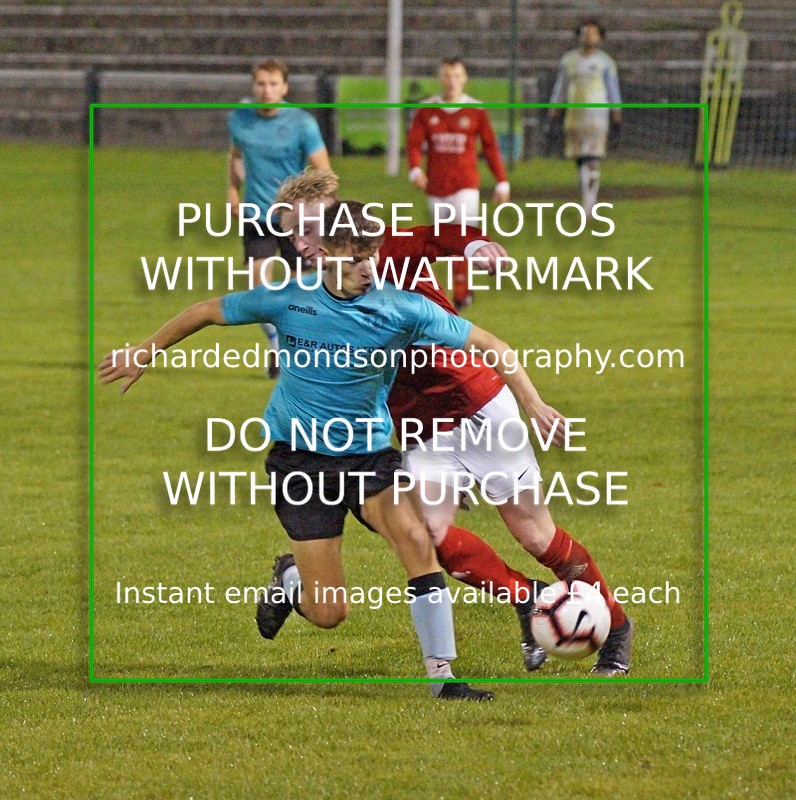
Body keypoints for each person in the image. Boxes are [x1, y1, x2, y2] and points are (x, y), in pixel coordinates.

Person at [98, 201, 564, 698]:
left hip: (368, 459)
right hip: (300, 464)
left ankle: (443, 679)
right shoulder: (288, 299)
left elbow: (493, 345)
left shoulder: (400, 308)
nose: (368, 269)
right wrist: (142, 352)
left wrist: (532, 402)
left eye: (372, 256)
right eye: (355, 259)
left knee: (418, 541)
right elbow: (207, 312)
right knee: (330, 614)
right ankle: (291, 579)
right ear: (323, 256)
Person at [276, 170, 634, 677]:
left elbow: (445, 234)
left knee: (536, 537)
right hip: (418, 425)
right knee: (429, 534)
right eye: (291, 234)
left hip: (477, 402)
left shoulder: (388, 245)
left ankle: (616, 626)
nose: (301, 243)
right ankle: (527, 598)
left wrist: (476, 247)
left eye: (308, 229)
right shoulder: (308, 290)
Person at [227, 58, 331, 375]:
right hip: (258, 214)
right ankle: (276, 344)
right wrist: (232, 190)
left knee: (300, 293)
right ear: (253, 85)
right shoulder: (240, 119)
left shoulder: (302, 124)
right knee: (258, 289)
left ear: (285, 87)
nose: (266, 90)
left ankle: (300, 352)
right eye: (261, 83)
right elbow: (235, 157)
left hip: (296, 220)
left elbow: (324, 170)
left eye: (273, 84)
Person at [406, 58, 510, 310]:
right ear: (440, 79)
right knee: (444, 240)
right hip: (436, 186)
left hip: (465, 184)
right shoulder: (427, 109)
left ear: (464, 79)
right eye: (447, 76)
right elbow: (414, 142)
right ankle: (443, 290)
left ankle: (461, 294)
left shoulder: (475, 109)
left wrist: (501, 181)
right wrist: (415, 169)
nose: (451, 81)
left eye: (456, 76)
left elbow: (490, 146)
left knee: (462, 236)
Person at [548, 19, 622, 217]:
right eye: (585, 33)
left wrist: (616, 114)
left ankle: (589, 204)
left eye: (593, 33)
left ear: (599, 37)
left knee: (593, 158)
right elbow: (561, 88)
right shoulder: (568, 60)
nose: (588, 37)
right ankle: (587, 199)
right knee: (581, 159)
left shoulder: (605, 62)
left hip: (597, 117)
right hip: (575, 117)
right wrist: (554, 111)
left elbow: (613, 90)